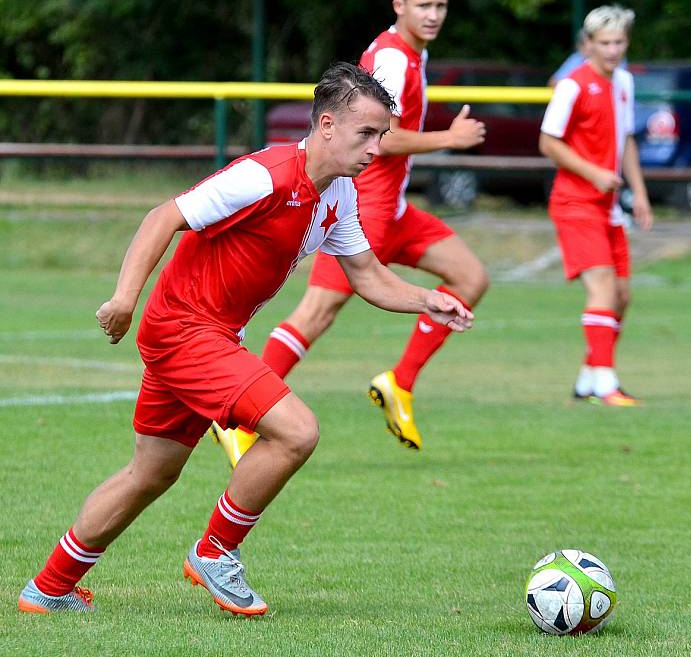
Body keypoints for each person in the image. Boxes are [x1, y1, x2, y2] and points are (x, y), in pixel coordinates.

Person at [17, 62, 472, 615]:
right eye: (368, 133)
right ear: (327, 125)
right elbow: (163, 216)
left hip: (204, 333)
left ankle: (49, 588)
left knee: (151, 472)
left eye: (381, 134)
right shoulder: (266, 175)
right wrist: (123, 299)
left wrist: (430, 299)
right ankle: (214, 552)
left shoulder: (339, 195)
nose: (379, 147)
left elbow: (369, 275)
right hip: (185, 329)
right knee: (297, 431)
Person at [211, 0, 487, 466]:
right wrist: (451, 139)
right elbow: (380, 139)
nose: (433, 15)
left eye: (441, 5)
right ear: (399, 6)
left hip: (396, 206)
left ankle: (398, 384)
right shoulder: (393, 61)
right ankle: (233, 419)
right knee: (317, 312)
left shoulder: (413, 56)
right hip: (366, 202)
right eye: (423, 5)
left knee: (469, 276)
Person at [538, 5, 653, 406]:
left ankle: (589, 377)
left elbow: (627, 140)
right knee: (602, 288)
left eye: (619, 41)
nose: (612, 50)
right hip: (574, 202)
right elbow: (548, 142)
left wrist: (638, 193)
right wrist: (593, 173)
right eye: (604, 43)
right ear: (589, 44)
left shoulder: (623, 82)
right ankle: (606, 384)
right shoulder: (572, 85)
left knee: (622, 295)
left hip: (609, 205)